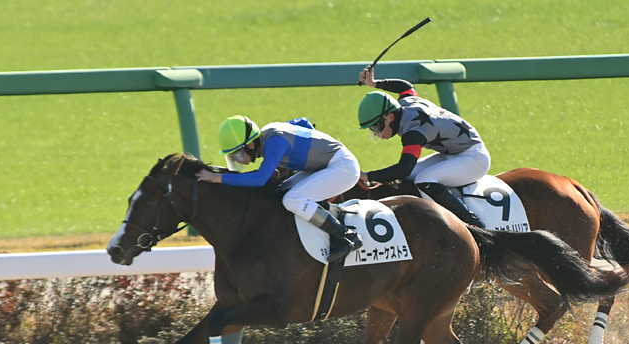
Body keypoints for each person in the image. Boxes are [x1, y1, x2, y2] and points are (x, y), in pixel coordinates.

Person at [196, 115, 363, 263]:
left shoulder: (274, 141)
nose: (238, 161)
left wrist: (217, 178)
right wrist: (312, 147)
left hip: (343, 167)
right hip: (324, 166)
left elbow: (260, 179)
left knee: (292, 200)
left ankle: (345, 236)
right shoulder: (270, 133)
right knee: (279, 195)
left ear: (251, 145)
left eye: (237, 154)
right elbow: (302, 122)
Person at [357, 65, 490, 228]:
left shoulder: (414, 131)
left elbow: (403, 168)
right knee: (409, 178)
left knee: (424, 179)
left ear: (390, 117)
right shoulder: (405, 102)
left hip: (474, 158)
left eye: (376, 128)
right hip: (454, 153)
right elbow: (405, 87)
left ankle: (472, 223)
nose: (377, 134)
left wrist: (367, 176)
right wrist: (375, 83)